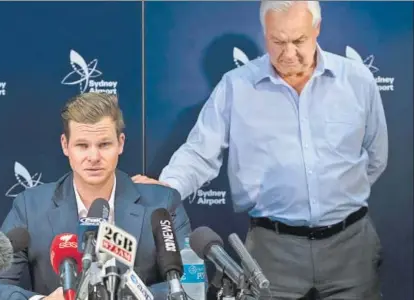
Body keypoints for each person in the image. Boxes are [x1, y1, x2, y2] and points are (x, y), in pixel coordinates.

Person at [132, 1, 388, 299]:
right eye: (278, 41)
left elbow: (375, 156)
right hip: (270, 251)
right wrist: (166, 190)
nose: (289, 53)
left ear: (317, 29)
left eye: (299, 41)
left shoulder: (357, 80)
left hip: (351, 247)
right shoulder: (236, 87)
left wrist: (339, 198)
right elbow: (199, 154)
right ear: (264, 34)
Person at [0, 92, 191, 300]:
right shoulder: (30, 207)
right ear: (65, 145)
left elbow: (192, 284)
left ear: (121, 143)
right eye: (82, 145)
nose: (93, 157)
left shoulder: (162, 204)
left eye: (104, 145)